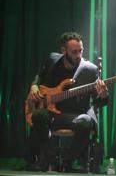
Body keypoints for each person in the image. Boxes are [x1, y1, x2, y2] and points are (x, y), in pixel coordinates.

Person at [26, 31, 108, 171]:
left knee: (86, 122)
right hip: (53, 112)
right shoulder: (52, 60)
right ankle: (51, 159)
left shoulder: (90, 69)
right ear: (64, 50)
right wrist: (34, 86)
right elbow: (40, 75)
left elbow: (99, 102)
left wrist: (103, 95)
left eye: (80, 50)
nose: (78, 55)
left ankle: (67, 162)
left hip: (77, 114)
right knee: (38, 115)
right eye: (74, 52)